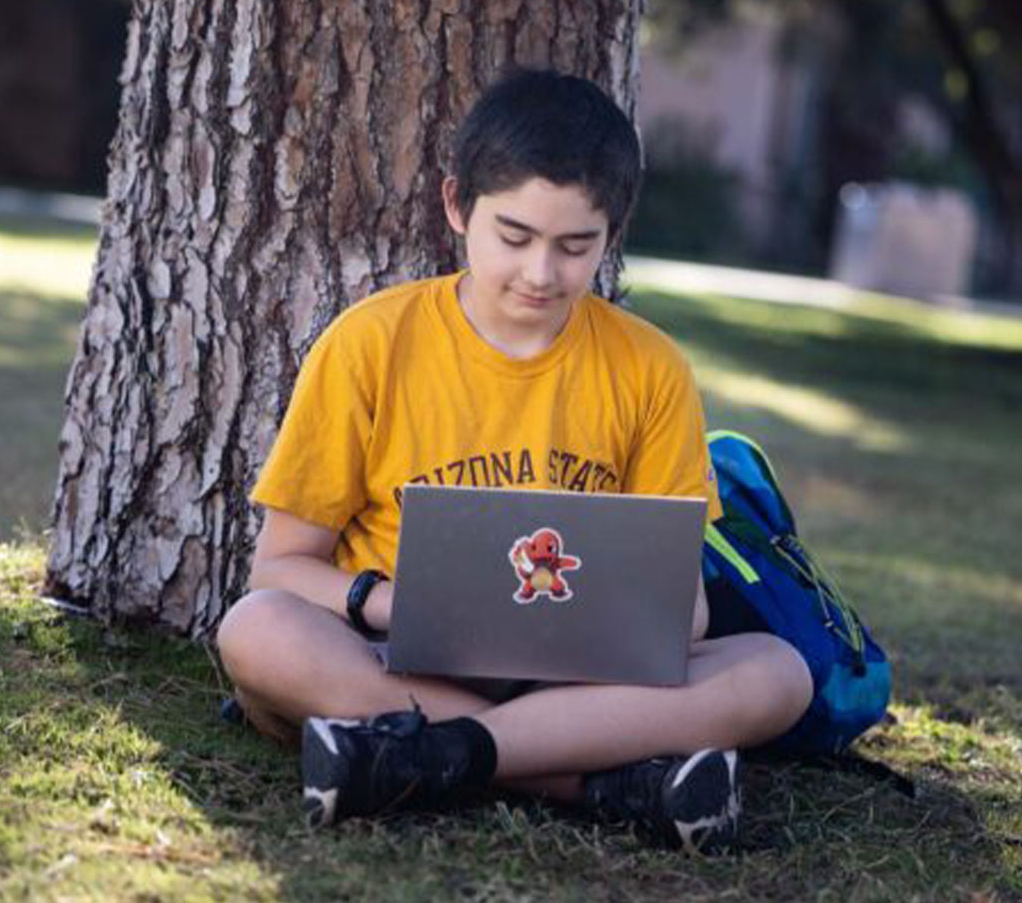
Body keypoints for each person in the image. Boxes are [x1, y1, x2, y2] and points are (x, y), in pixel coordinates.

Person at [216, 67, 813, 854]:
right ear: (456, 205)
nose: (541, 274)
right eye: (515, 236)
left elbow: (688, 608)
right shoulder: (371, 344)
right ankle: (609, 783)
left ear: (614, 230)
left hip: (582, 677)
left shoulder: (649, 369)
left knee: (777, 672)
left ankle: (426, 758)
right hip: (394, 658)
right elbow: (281, 570)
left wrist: (590, 630)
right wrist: (399, 605)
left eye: (575, 247)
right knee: (257, 630)